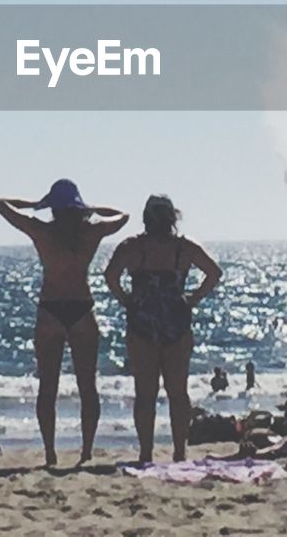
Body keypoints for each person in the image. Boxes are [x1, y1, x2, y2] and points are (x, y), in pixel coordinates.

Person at [0, 179, 129, 466]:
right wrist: (93, 208)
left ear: (53, 208)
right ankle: (86, 451)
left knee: (48, 386)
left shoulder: (41, 230)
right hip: (81, 306)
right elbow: (123, 216)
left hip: (51, 308)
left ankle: (51, 453)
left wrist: (33, 205)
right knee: (87, 385)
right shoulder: (90, 231)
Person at [105, 193, 223, 464]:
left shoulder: (133, 247)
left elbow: (110, 276)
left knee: (145, 393)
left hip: (142, 322)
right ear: (173, 218)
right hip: (176, 322)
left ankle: (146, 451)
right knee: (177, 392)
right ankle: (179, 451)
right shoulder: (184, 248)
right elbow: (214, 273)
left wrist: (126, 300)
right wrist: (192, 299)